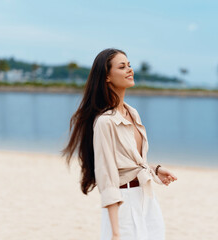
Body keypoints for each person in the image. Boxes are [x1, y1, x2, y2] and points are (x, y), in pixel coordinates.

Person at [62, 48, 177, 240]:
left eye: (129, 65)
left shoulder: (132, 112)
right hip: (123, 203)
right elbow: (107, 175)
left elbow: (127, 161)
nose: (129, 70)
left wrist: (154, 170)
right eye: (122, 67)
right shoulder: (105, 122)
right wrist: (115, 232)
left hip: (147, 198)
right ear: (107, 77)